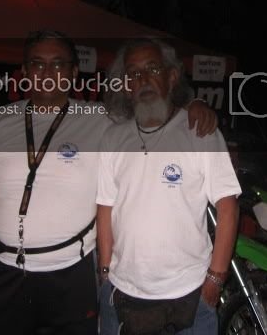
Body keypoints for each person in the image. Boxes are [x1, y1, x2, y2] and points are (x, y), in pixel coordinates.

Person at [0, 30, 217, 335]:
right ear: (25, 72)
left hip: (73, 273)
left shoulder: (101, 119)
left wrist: (194, 104)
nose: (47, 73)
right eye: (38, 64)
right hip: (3, 268)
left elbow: (154, 107)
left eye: (58, 64)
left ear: (73, 73)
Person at [97, 39, 241, 335]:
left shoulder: (199, 132)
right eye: (133, 73)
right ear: (126, 86)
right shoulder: (113, 138)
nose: (143, 79)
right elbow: (105, 208)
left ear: (171, 76)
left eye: (153, 68)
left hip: (189, 295)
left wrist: (216, 278)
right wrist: (105, 271)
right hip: (122, 293)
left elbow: (228, 208)